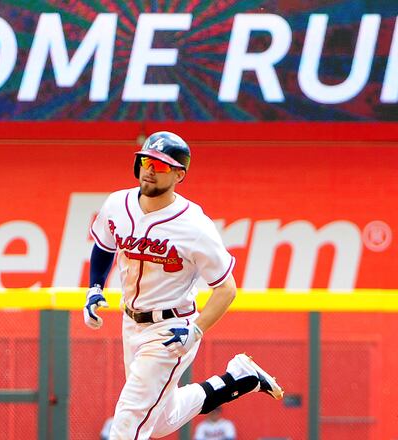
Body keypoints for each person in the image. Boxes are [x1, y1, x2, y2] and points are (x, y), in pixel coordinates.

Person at [83, 131, 283, 439]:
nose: (149, 169)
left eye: (160, 166)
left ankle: (238, 376)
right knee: (161, 419)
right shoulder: (117, 204)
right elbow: (105, 245)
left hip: (171, 327)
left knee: (128, 420)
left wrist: (197, 329)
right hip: (131, 323)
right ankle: (238, 378)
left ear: (179, 174)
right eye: (146, 161)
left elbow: (226, 288)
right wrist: (94, 287)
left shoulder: (194, 225)